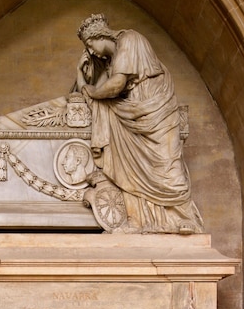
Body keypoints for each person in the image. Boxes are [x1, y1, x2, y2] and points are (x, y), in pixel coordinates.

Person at [74, 13, 203, 234]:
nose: (91, 50)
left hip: (156, 109)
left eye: (90, 44)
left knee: (167, 163)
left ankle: (184, 216)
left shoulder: (130, 40)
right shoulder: (111, 62)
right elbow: (93, 97)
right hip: (133, 114)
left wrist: (93, 90)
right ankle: (140, 221)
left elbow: (113, 87)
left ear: (99, 35)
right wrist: (81, 72)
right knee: (130, 166)